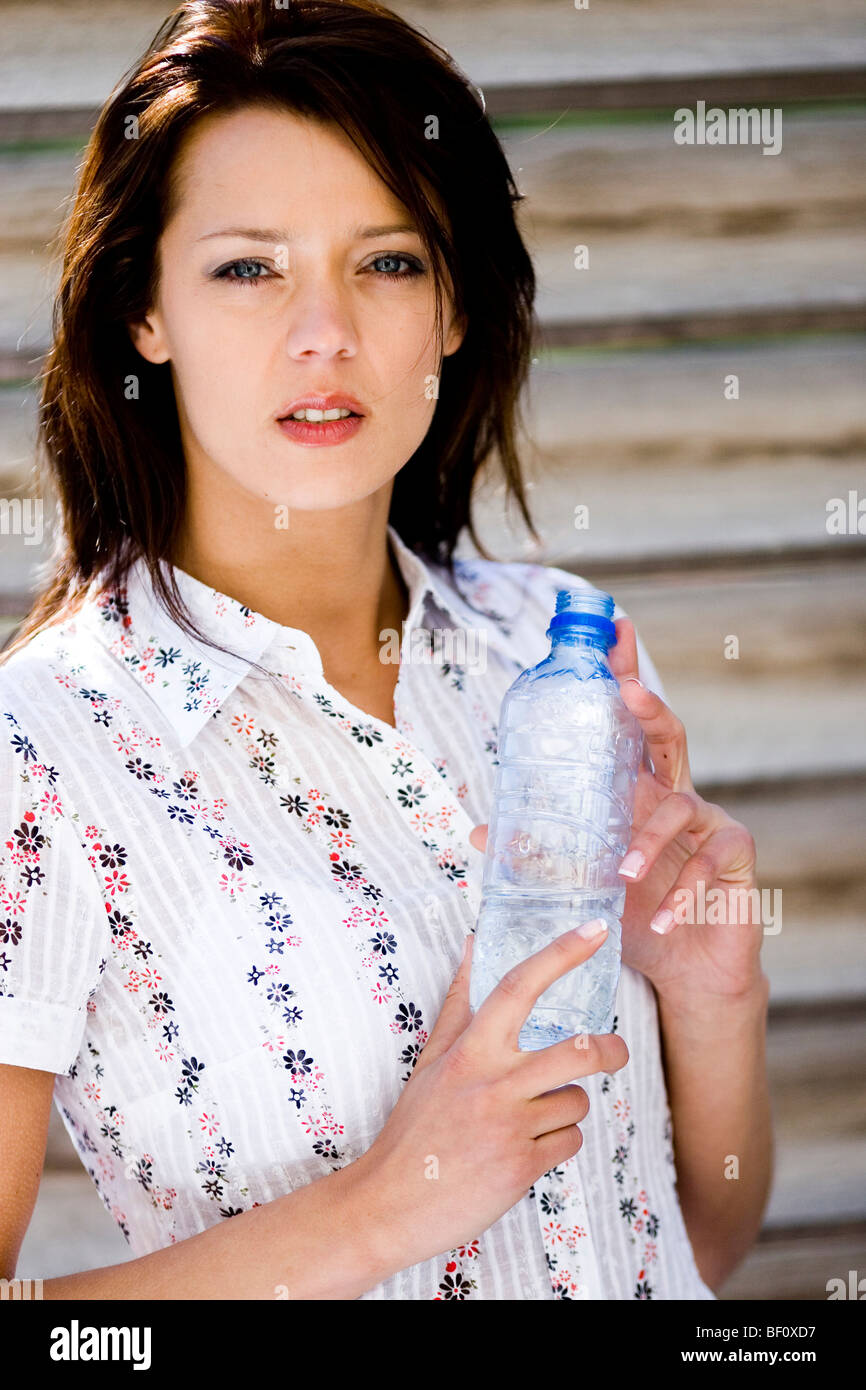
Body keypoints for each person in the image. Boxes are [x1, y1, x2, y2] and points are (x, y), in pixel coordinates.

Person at [0, 0, 771, 1300]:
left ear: (456, 303)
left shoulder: (561, 655)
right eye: (249, 268)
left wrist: (710, 994)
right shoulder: (45, 746)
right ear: (146, 313)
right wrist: (377, 1208)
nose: (327, 332)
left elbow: (686, 1247)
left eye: (389, 262)